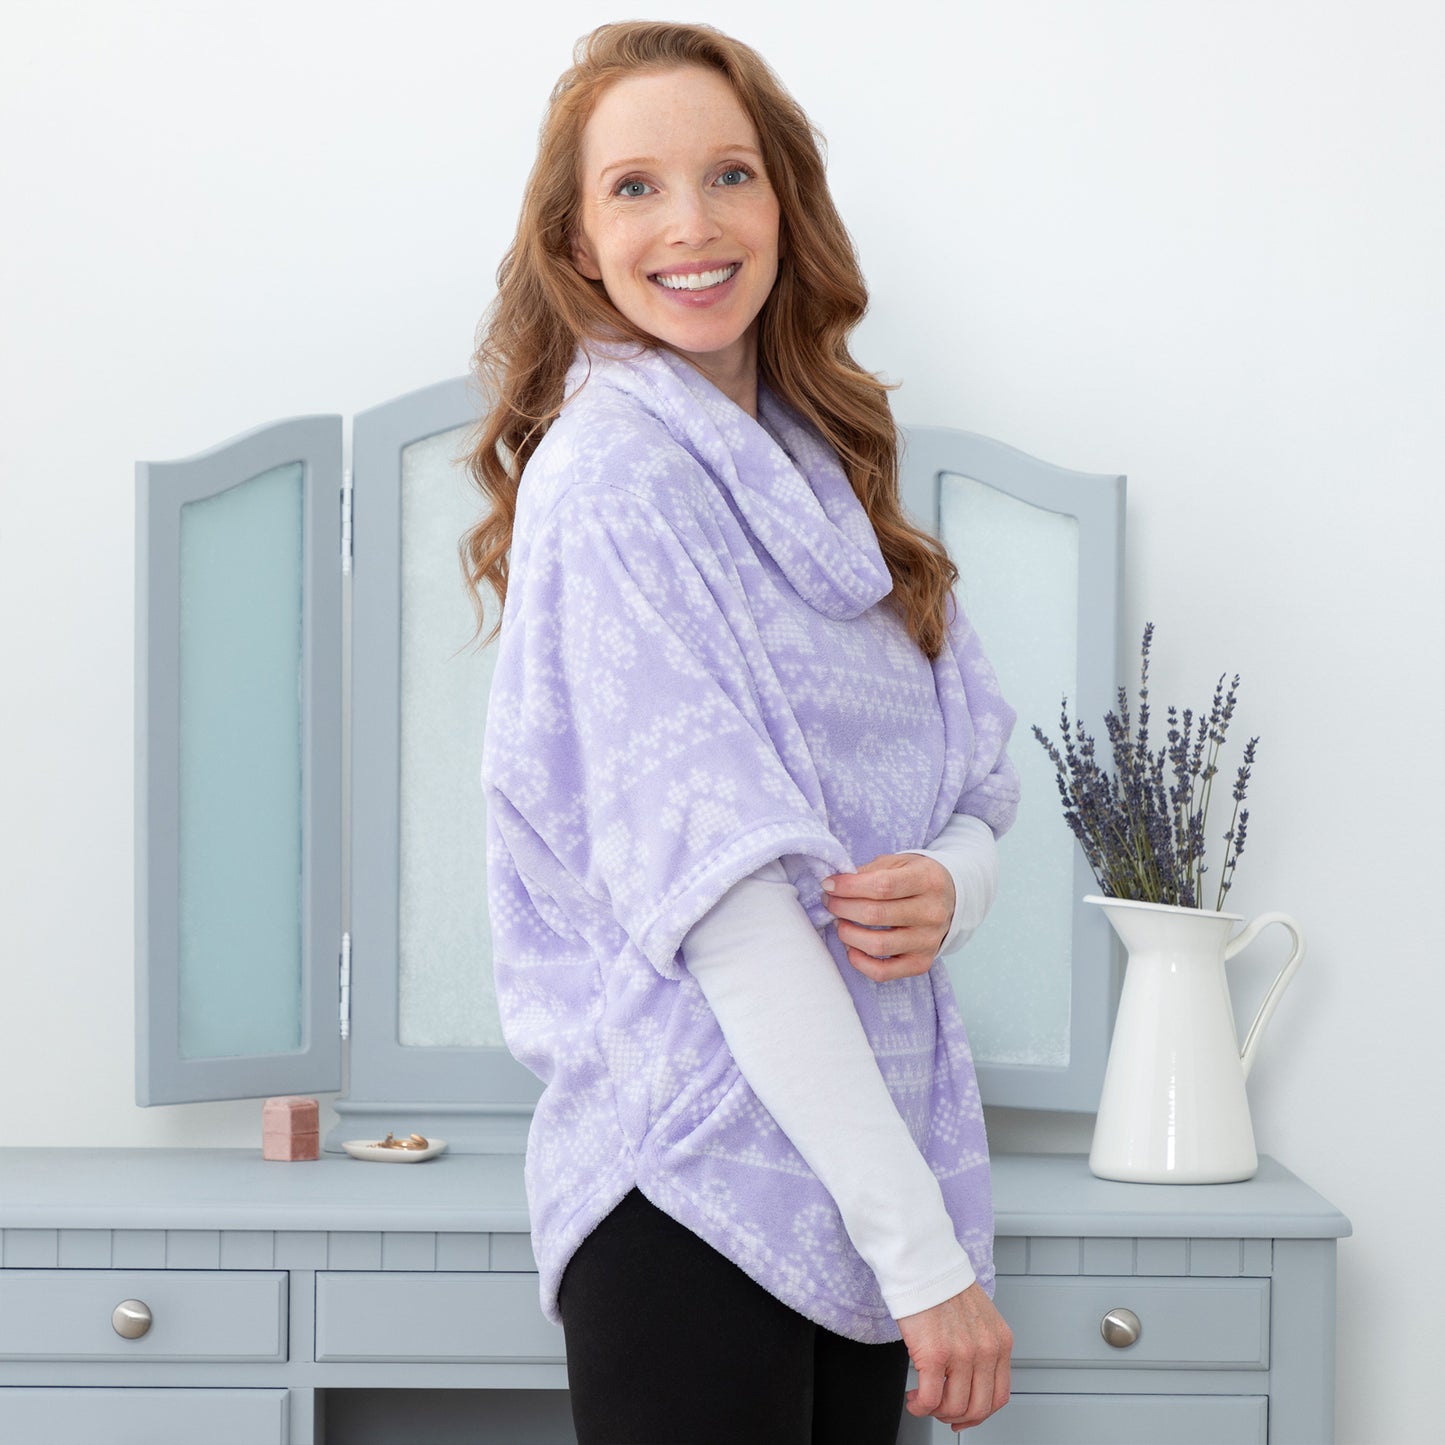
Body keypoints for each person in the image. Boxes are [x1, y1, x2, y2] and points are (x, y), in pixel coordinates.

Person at [464, 21, 1019, 1443]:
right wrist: (927, 1260)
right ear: (578, 243)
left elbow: (975, 782)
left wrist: (954, 881)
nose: (693, 225)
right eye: (635, 187)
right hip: (693, 1186)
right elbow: (726, 908)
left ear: (785, 202)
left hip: (850, 1174)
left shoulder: (821, 468)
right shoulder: (614, 479)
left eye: (729, 175)